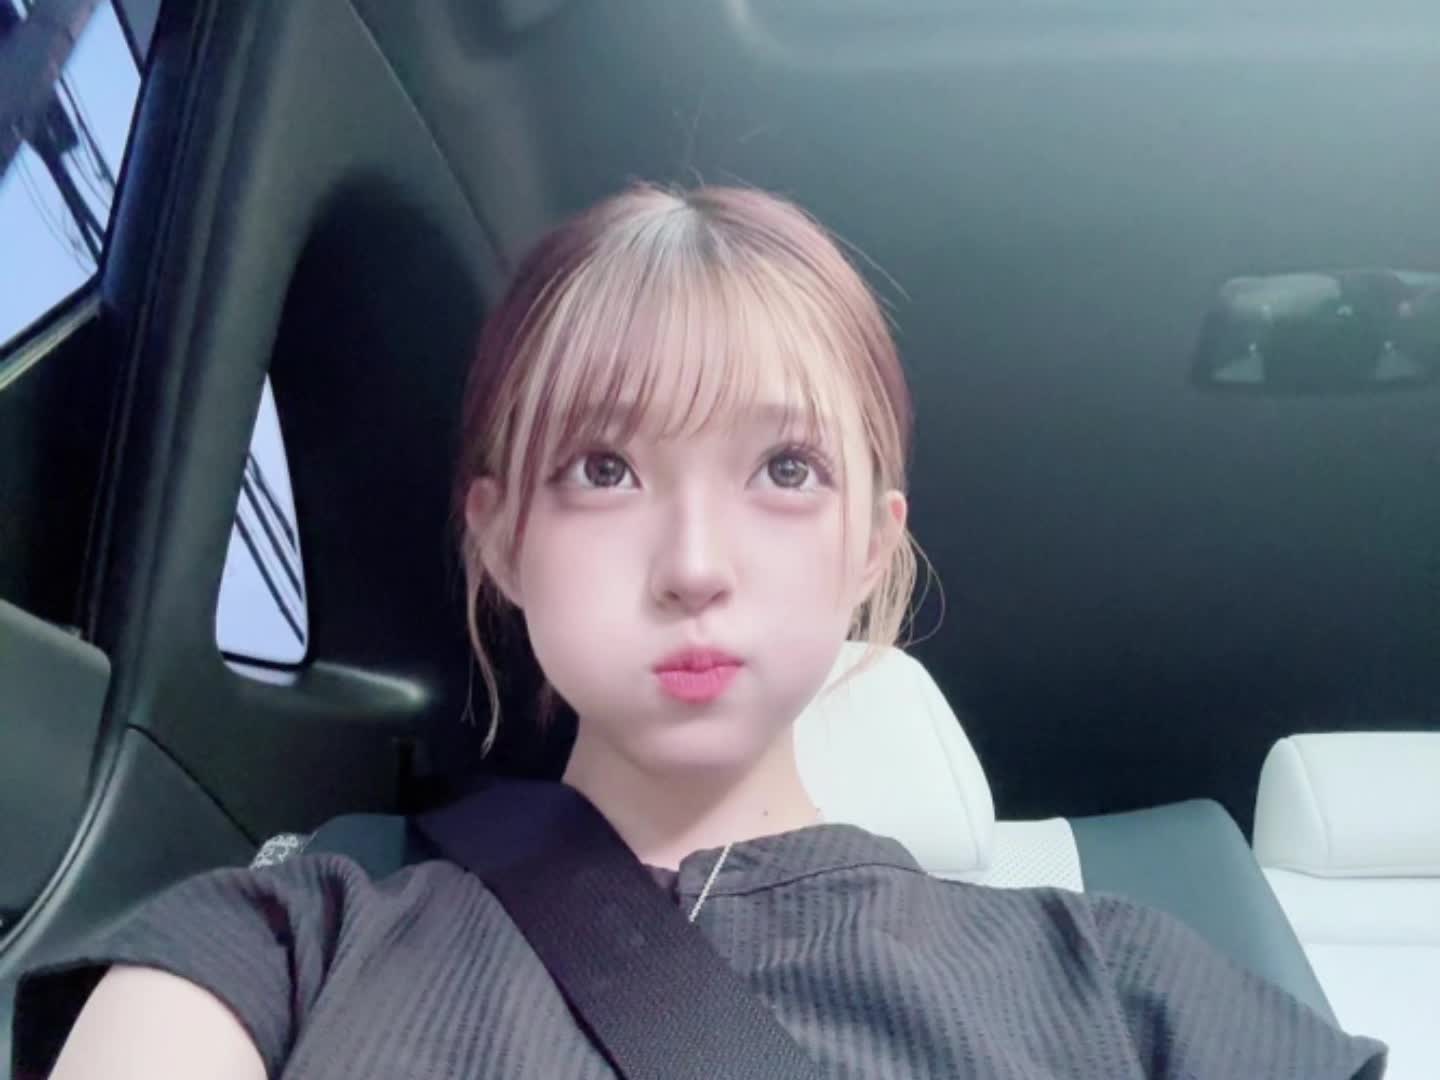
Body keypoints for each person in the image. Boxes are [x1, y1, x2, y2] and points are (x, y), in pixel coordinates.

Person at [13, 185, 1386, 1079]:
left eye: (786, 470)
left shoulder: (1126, 985)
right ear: (501, 537)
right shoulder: (279, 939)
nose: (692, 565)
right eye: (602, 469)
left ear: (871, 544)